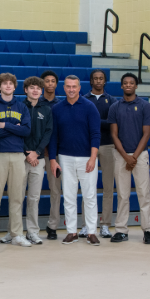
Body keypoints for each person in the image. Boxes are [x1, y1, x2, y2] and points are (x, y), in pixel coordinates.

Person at [49, 75, 101, 246]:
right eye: (68, 86)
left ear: (79, 88)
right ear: (64, 88)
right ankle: (72, 231)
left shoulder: (89, 107)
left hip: (87, 158)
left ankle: (92, 232)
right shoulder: (57, 109)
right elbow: (53, 136)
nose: (71, 89)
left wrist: (93, 158)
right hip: (65, 158)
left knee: (90, 195)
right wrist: (52, 159)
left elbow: (95, 134)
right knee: (69, 196)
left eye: (74, 86)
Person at [108, 73, 150, 244]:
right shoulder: (115, 107)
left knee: (144, 193)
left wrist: (133, 157)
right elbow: (114, 134)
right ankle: (121, 230)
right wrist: (126, 157)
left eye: (131, 83)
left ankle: (148, 230)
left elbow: (147, 133)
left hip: (140, 156)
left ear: (136, 86)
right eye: (125, 83)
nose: (128, 85)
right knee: (122, 194)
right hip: (121, 155)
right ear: (121, 86)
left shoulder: (144, 106)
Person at [0, 73, 31, 247]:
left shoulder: (22, 106)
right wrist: (14, 128)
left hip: (18, 155)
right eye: (4, 84)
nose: (7, 86)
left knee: (17, 196)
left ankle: (17, 234)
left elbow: (26, 130)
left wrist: (5, 125)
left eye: (10, 84)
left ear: (14, 86)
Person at [81, 69, 117, 238]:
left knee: (108, 186)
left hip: (109, 145)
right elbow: (82, 122)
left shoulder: (112, 101)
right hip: (88, 147)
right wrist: (101, 123)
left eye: (101, 78)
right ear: (90, 81)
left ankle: (105, 224)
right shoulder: (83, 100)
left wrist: (94, 122)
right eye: (95, 78)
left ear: (105, 81)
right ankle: (86, 224)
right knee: (88, 186)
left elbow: (112, 124)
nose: (98, 81)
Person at [22, 76, 52, 245]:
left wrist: (37, 152)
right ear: (26, 89)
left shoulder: (46, 109)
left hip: (38, 159)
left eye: (38, 88)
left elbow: (48, 132)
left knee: (34, 197)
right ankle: (16, 231)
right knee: (17, 196)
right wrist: (26, 152)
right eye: (32, 87)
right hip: (21, 158)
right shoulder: (19, 106)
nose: (35, 90)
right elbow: (17, 131)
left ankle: (32, 231)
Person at [39, 70, 62, 240]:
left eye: (53, 81)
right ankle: (29, 226)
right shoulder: (34, 103)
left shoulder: (60, 105)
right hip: (37, 154)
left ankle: (52, 226)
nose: (50, 84)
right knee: (33, 191)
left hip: (55, 155)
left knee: (55, 190)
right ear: (42, 84)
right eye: (47, 81)